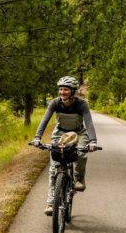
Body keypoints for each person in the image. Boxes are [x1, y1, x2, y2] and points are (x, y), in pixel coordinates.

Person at [33, 76, 98, 216]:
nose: (62, 92)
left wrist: (93, 141)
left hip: (79, 132)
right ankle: (50, 203)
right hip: (60, 133)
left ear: (73, 91)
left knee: (81, 153)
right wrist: (37, 137)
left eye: (66, 90)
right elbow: (45, 120)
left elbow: (88, 122)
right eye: (61, 89)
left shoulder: (81, 104)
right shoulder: (55, 103)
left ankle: (79, 179)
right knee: (53, 167)